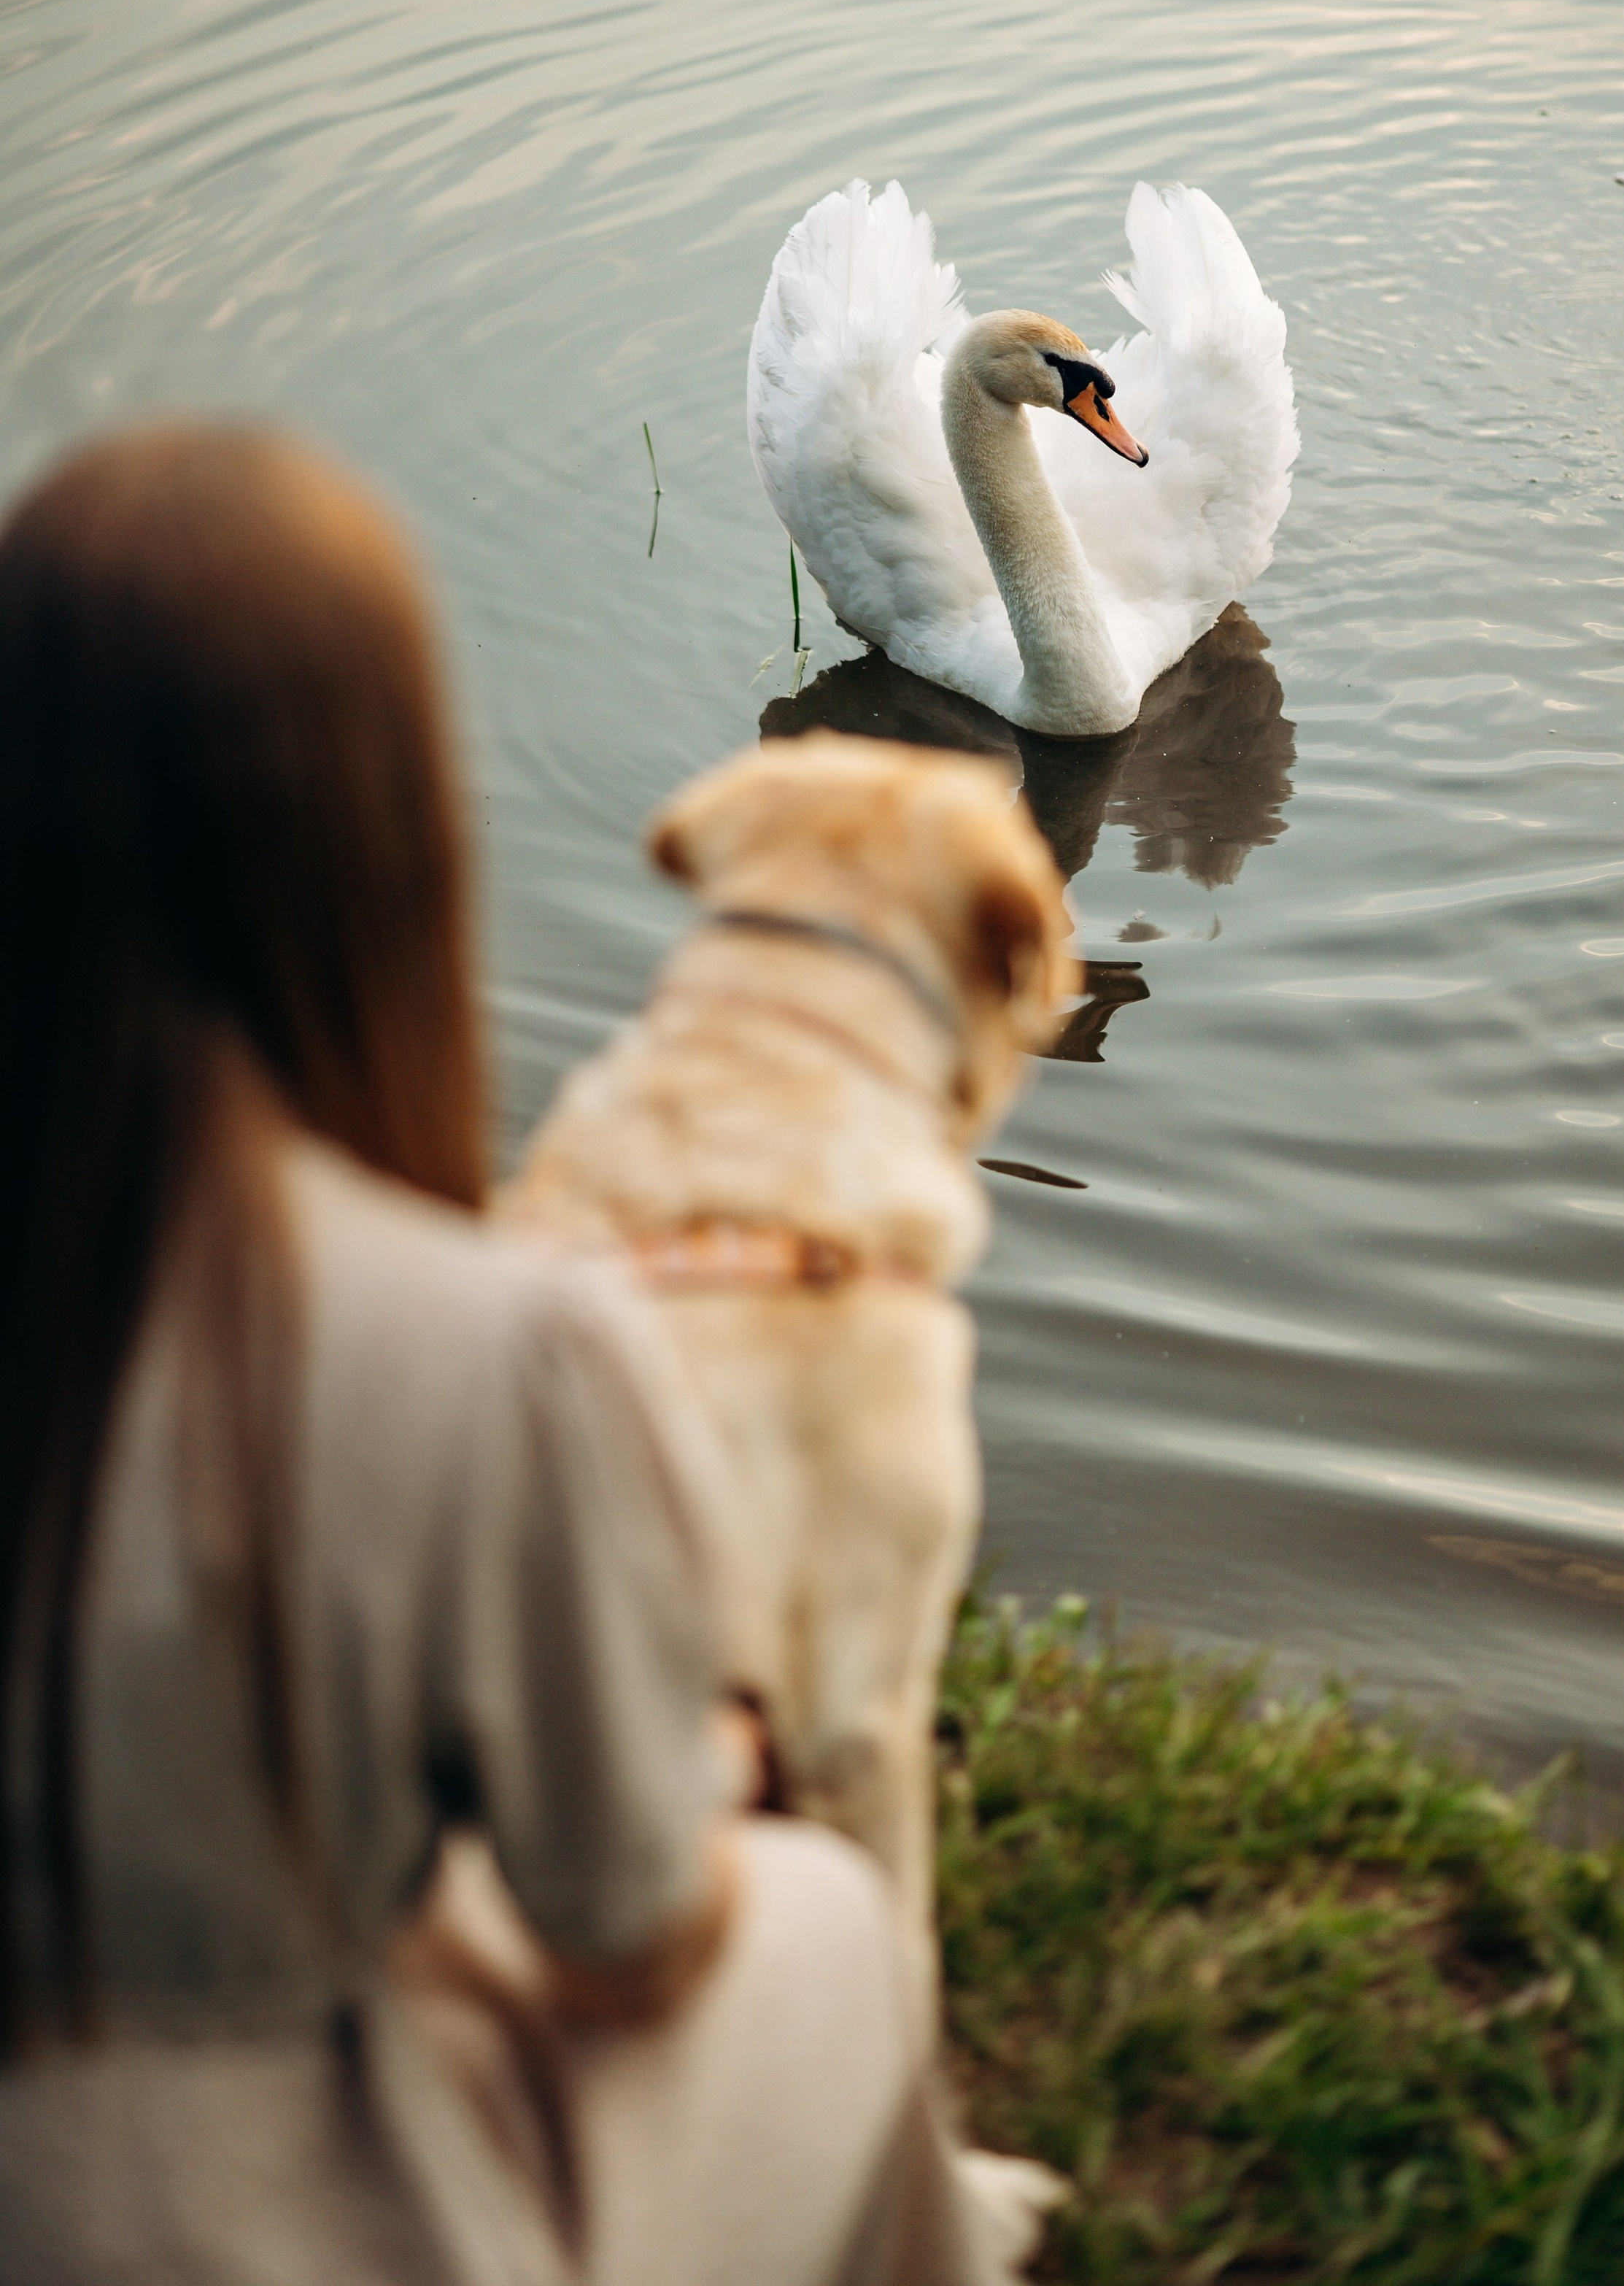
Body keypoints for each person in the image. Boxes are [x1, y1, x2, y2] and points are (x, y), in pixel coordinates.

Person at [0, 424, 986, 2285]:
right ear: (378, 831)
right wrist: (713, 1755)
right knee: (824, 1931)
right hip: (265, 2208)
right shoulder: (494, 1346)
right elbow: (623, 1925)